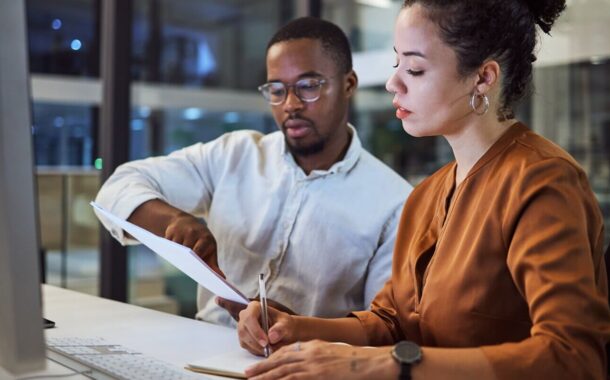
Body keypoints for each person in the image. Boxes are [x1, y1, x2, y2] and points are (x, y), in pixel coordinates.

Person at [237, 1, 610, 379]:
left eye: (415, 69)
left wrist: (388, 365)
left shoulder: (543, 182)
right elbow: (391, 322)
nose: (393, 83)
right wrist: (295, 327)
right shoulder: (427, 195)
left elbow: (572, 358)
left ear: (483, 78)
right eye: (396, 64)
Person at [94, 17, 412, 327]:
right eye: (277, 89)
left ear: (348, 85)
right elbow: (117, 187)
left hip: (309, 364)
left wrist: (297, 326)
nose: (290, 104)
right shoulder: (234, 154)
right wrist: (173, 222)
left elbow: (384, 328)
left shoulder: (395, 203)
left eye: (308, 86)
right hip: (203, 348)